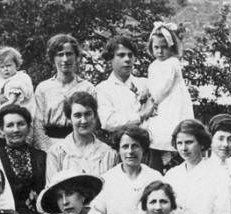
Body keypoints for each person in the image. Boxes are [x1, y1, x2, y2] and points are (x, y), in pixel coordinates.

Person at [96, 36, 161, 170]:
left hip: (150, 150)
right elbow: (109, 122)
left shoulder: (145, 83)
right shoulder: (103, 89)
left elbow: (159, 111)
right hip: (120, 151)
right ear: (110, 60)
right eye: (121, 55)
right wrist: (141, 115)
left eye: (130, 55)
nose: (127, 59)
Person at [92, 126, 162, 214]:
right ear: (118, 150)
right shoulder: (108, 179)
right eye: (125, 146)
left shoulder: (155, 178)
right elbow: (97, 213)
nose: (130, 151)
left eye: (135, 146)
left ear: (143, 149)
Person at [0, 104, 49, 214]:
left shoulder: (41, 157)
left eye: (21, 124)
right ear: (1, 130)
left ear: (29, 127)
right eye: (10, 125)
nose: (16, 129)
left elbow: (48, 192)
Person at [33, 34, 95, 151]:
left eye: (69, 54)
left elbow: (92, 122)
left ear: (76, 56)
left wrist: (79, 148)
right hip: (49, 145)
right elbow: (37, 125)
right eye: (60, 55)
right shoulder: (43, 88)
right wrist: (48, 150)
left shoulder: (87, 88)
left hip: (79, 146)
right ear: (53, 58)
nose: (65, 59)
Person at [46, 91, 117, 184]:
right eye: (77, 115)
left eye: (88, 114)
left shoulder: (109, 154)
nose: (83, 121)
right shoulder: (56, 152)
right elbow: (52, 192)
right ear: (69, 119)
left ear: (95, 116)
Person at [145, 22, 194, 155]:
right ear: (151, 47)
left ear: (171, 47)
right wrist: (147, 95)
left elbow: (165, 86)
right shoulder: (153, 65)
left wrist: (154, 102)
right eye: (156, 47)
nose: (160, 51)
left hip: (172, 101)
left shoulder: (172, 63)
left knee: (173, 128)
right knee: (157, 134)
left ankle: (175, 154)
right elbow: (151, 84)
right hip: (159, 101)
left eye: (164, 47)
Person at [0, 46, 35, 117]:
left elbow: (12, 100)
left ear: (16, 65)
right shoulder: (0, 78)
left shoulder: (20, 78)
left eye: (8, 66)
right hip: (10, 113)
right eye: (2, 67)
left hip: (23, 112)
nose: (5, 69)